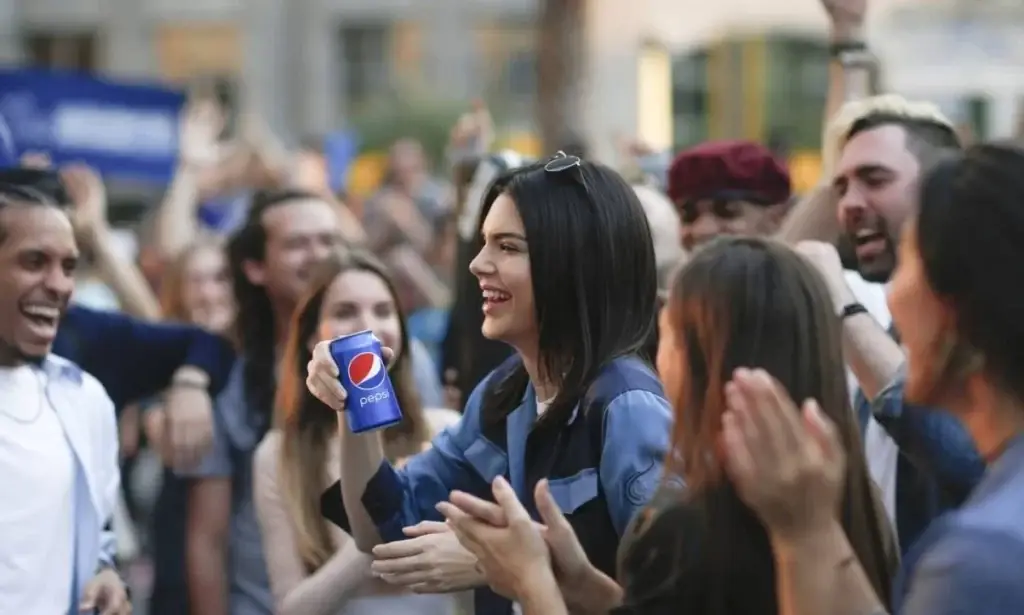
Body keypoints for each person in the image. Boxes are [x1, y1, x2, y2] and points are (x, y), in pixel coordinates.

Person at [436, 237, 897, 615]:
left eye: (670, 330)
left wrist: (530, 581)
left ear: (704, 363)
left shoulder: (687, 531)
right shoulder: (859, 507)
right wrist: (581, 584)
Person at [306, 153, 673, 614]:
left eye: (508, 247)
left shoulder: (628, 408)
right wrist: (352, 399)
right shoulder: (506, 392)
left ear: (572, 263)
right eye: (483, 243)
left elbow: (668, 601)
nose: (478, 264)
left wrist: (498, 564)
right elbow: (383, 528)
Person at [720, 142, 1024, 615]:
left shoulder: (983, 558)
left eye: (908, 261)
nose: (892, 298)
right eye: (839, 188)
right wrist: (807, 527)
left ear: (958, 302)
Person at [802, 97, 986, 552]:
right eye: (840, 188)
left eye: (874, 180)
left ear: (940, 189)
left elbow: (968, 462)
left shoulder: (992, 326)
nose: (849, 204)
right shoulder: (889, 334)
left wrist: (838, 303)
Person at [253, 250, 461, 615]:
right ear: (311, 337)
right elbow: (290, 607)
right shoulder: (279, 455)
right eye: (345, 312)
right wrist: (381, 519)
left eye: (383, 311)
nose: (368, 326)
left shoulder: (447, 431)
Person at [181, 188, 346, 615]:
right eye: (297, 244)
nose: (319, 255)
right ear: (255, 267)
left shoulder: (393, 358)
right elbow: (207, 538)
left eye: (329, 240)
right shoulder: (228, 373)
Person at [0, 178, 130, 613]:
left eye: (69, 267)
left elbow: (94, 541)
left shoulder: (85, 400)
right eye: (34, 261)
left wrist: (104, 571)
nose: (58, 285)